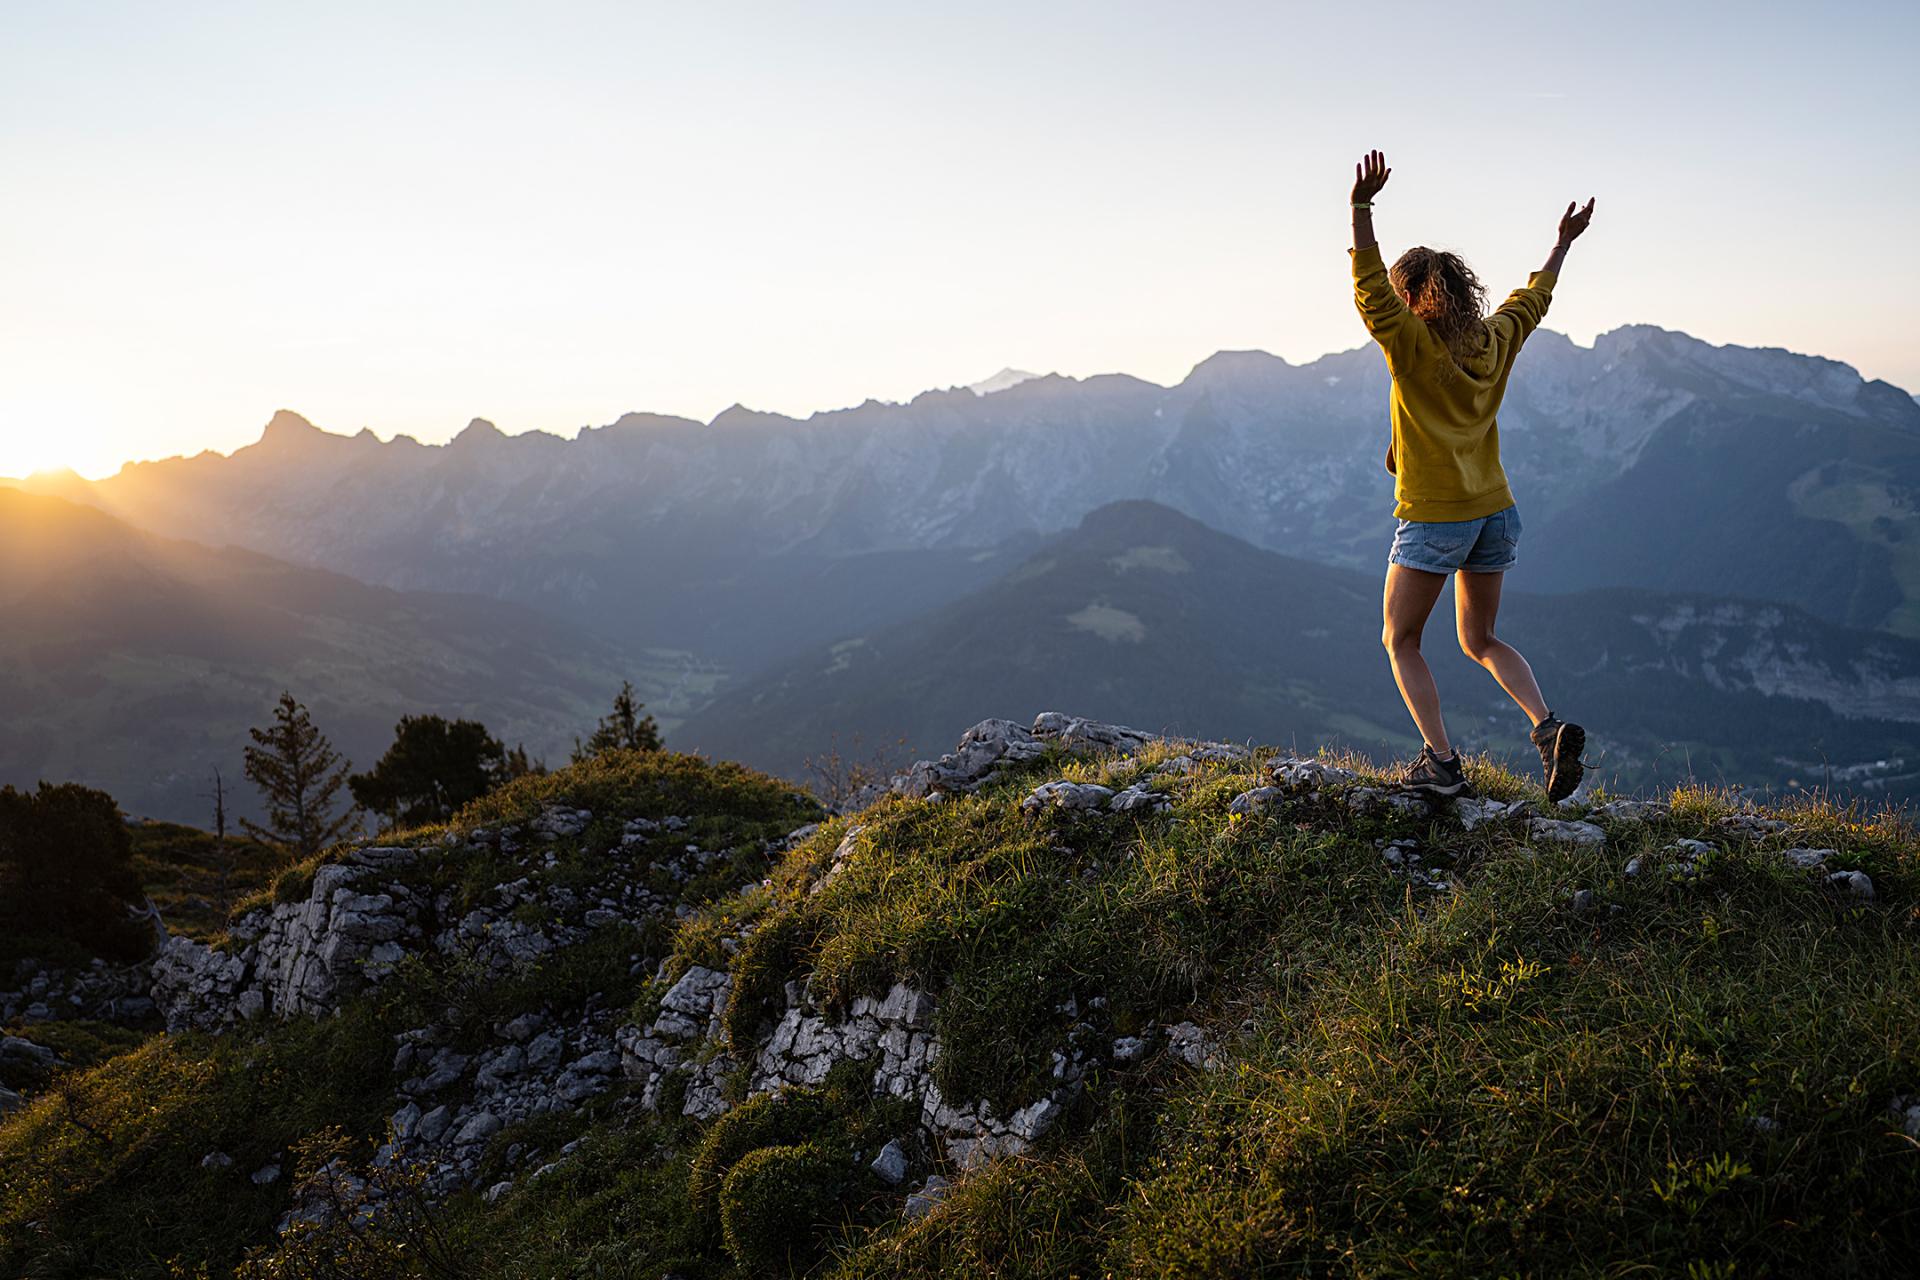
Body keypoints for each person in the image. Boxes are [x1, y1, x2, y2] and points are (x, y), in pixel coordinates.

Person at [1347, 148, 1594, 802]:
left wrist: (1361, 209)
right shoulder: (1494, 338)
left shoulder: (1407, 344)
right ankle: (1547, 729)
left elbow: (1368, 289)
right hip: (1495, 512)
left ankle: (1442, 764)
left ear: (1408, 297)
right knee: (1480, 637)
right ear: (1462, 294)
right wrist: (1562, 244)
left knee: (1399, 638)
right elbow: (1533, 298)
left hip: (1436, 517)